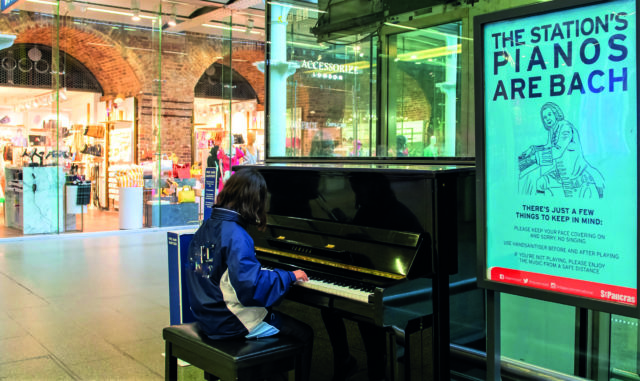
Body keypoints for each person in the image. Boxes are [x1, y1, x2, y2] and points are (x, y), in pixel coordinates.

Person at [185, 168, 314, 381]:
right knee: (304, 333)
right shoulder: (236, 234)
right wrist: (289, 276)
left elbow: (212, 272)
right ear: (253, 200)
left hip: (207, 314)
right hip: (230, 322)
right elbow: (250, 288)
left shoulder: (207, 225)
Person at [518, 102, 604, 198]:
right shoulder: (553, 129)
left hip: (576, 172)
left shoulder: (565, 127)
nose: (547, 119)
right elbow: (548, 146)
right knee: (540, 183)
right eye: (545, 117)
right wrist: (533, 149)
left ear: (556, 113)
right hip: (561, 170)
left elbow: (557, 151)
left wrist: (534, 158)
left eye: (549, 114)